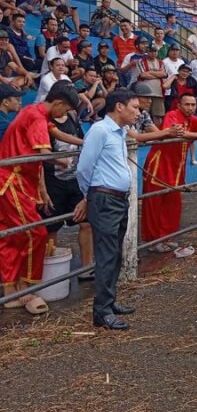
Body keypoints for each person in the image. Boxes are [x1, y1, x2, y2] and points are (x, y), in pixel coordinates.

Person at [0, 81, 81, 314]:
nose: (63, 115)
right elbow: (44, 153)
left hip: (17, 182)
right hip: (12, 181)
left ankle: (10, 293)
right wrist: (62, 159)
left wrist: (84, 144)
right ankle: (26, 288)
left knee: (10, 237)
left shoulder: (32, 111)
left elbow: (56, 132)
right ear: (58, 103)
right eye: (64, 111)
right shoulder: (36, 117)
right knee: (36, 233)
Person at [77, 90, 140, 330]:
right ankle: (101, 311)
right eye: (134, 107)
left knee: (114, 253)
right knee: (105, 255)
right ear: (119, 107)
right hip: (104, 199)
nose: (137, 112)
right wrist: (89, 196)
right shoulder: (100, 131)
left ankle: (109, 300)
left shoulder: (119, 131)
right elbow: (84, 168)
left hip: (117, 199)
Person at [141, 92, 197, 253]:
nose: (190, 108)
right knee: (154, 204)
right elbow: (176, 132)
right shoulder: (172, 115)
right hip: (159, 166)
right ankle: (153, 240)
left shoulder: (192, 119)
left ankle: (168, 237)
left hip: (177, 168)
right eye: (187, 104)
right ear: (179, 105)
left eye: (193, 105)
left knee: (172, 204)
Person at [42, 102, 94, 281]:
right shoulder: (45, 121)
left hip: (75, 180)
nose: (68, 110)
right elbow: (42, 154)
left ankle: (87, 267)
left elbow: (81, 142)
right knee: (51, 228)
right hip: (53, 182)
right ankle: (50, 274)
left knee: (86, 223)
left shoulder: (72, 118)